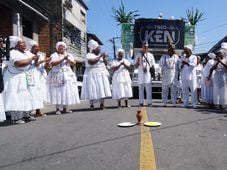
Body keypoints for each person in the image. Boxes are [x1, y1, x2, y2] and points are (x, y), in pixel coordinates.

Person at [3, 36, 37, 124]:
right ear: (16, 45)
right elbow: (19, 64)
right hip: (15, 78)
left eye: (24, 42)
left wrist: (34, 59)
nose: (24, 44)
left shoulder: (25, 53)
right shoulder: (13, 53)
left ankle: (26, 115)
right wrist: (31, 59)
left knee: (25, 96)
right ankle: (16, 118)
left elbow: (33, 63)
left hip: (24, 77)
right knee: (16, 96)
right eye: (21, 43)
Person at [47, 42, 80, 114]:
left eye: (63, 46)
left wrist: (67, 58)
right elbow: (53, 63)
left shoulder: (68, 55)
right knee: (57, 92)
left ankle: (65, 108)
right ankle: (57, 109)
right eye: (60, 46)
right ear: (57, 48)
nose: (62, 48)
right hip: (57, 74)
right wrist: (62, 59)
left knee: (66, 91)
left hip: (67, 75)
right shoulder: (54, 55)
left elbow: (74, 63)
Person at [81, 39, 111, 110]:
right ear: (94, 48)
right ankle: (92, 105)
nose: (100, 49)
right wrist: (100, 56)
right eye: (98, 48)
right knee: (92, 89)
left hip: (101, 74)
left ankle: (102, 104)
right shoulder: (89, 55)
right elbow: (91, 62)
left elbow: (106, 64)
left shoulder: (100, 56)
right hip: (92, 75)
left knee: (102, 89)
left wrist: (104, 58)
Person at [28, 40, 50, 117]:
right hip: (33, 75)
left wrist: (47, 63)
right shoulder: (28, 55)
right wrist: (43, 60)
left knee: (40, 93)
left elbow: (44, 67)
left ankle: (38, 111)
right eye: (35, 47)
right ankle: (30, 111)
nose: (37, 48)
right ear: (31, 48)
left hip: (41, 76)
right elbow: (35, 65)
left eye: (38, 47)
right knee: (33, 92)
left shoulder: (41, 55)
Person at [134, 41, 155, 106]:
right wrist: (138, 62)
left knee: (148, 89)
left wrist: (153, 75)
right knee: (141, 89)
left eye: (146, 46)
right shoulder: (138, 55)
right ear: (142, 47)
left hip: (148, 74)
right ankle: (141, 102)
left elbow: (153, 66)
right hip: (141, 74)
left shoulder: (151, 55)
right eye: (144, 46)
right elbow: (135, 66)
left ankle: (149, 102)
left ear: (148, 47)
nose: (145, 47)